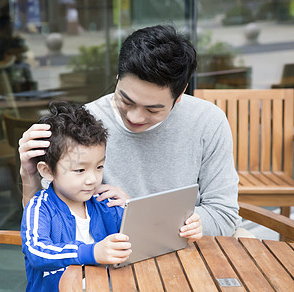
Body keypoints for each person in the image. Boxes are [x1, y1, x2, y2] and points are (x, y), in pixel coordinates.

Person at [19, 25, 241, 238]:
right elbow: (49, 222)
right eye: (125, 100)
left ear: (180, 93)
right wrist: (29, 174)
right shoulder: (83, 126)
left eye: (153, 109)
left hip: (186, 248)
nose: (135, 117)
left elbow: (224, 215)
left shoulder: (207, 121)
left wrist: (137, 209)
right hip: (109, 257)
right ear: (117, 79)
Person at [21, 101, 132, 291]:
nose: (92, 179)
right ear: (47, 171)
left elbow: (135, 234)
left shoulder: (102, 202)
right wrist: (91, 252)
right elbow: (36, 252)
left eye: (99, 167)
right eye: (80, 170)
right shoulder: (40, 208)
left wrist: (131, 207)